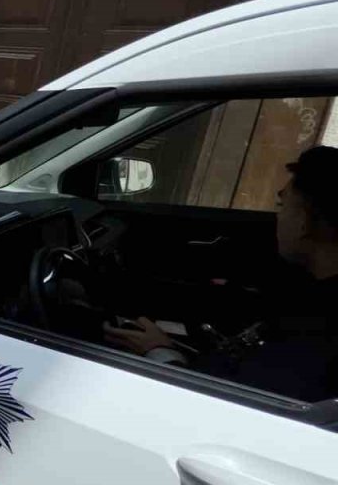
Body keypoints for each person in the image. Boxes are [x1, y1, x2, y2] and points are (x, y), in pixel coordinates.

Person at [104, 145, 338, 401]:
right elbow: (232, 308)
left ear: (304, 222)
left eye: (282, 206)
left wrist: (159, 352)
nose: (277, 218)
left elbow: (217, 403)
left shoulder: (318, 339)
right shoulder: (312, 294)